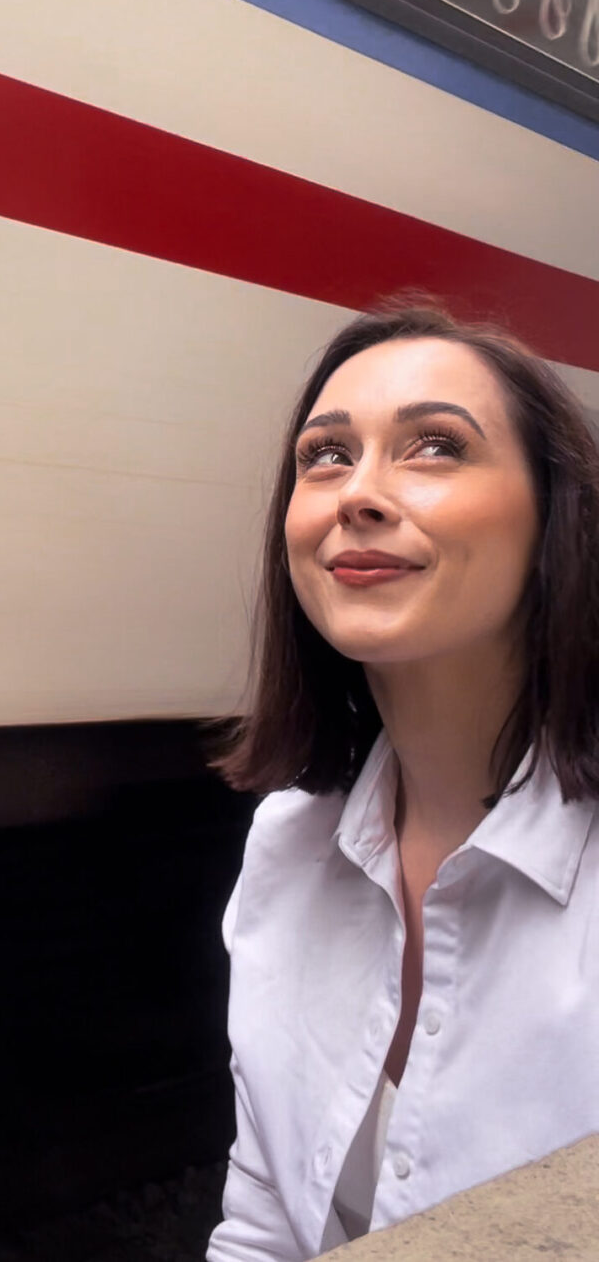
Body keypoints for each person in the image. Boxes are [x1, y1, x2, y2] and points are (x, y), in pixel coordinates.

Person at [205, 297, 599, 1260]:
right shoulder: (288, 841)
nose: (359, 494)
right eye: (325, 456)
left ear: (556, 520)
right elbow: (263, 1219)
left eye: (435, 447)